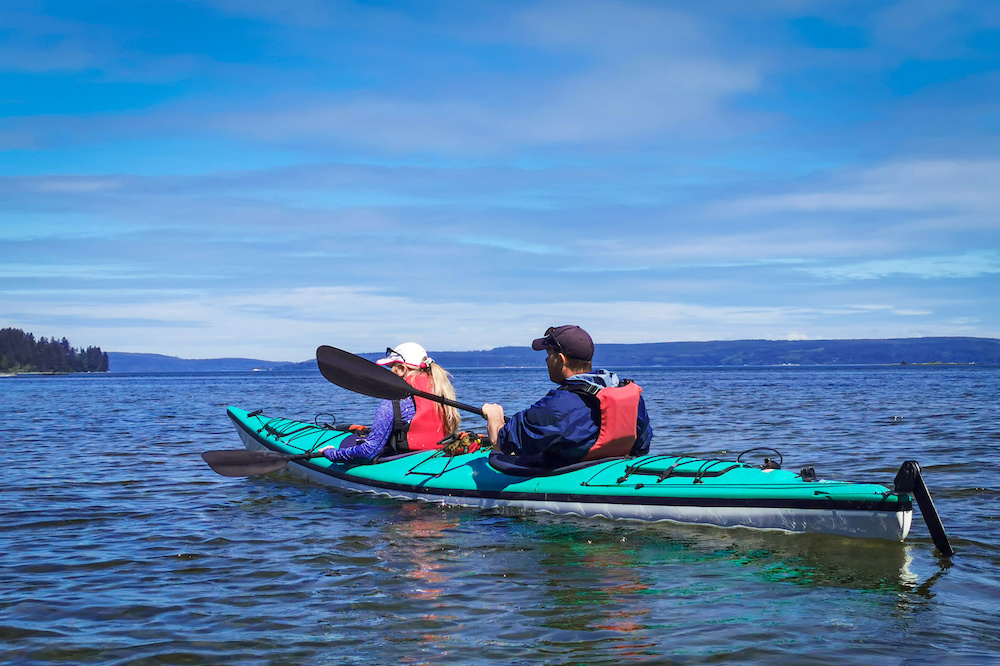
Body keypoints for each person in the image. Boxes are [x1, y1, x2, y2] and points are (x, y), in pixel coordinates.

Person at [482, 325, 653, 468]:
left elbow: (501, 442)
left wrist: (494, 416)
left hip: (570, 475)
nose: (547, 361)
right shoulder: (629, 395)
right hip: (610, 467)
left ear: (561, 359)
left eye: (549, 355)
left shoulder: (556, 407)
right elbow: (642, 447)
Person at [320, 342, 461, 463]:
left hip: (405, 459)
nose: (388, 374)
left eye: (391, 367)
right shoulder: (440, 390)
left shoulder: (395, 399)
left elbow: (369, 451)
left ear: (402, 369)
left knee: (348, 442)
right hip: (437, 455)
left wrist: (332, 453)